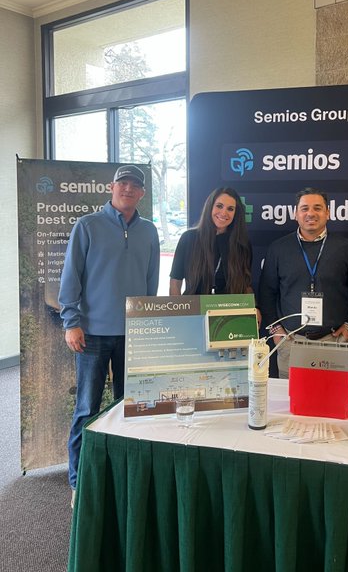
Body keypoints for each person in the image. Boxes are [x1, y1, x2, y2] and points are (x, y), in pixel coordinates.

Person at [59, 165, 160, 504]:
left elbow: (151, 282)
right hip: (92, 334)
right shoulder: (87, 225)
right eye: (122, 183)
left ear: (142, 193)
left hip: (133, 333)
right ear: (111, 187)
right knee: (87, 408)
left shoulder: (149, 230)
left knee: (129, 407)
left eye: (135, 185)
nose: (128, 189)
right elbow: (71, 277)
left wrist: (147, 323)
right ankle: (78, 482)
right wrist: (71, 322)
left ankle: (122, 477)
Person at [258, 187, 348, 378]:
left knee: (333, 395)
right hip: (291, 342)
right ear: (296, 214)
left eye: (317, 208)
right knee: (292, 397)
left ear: (328, 213)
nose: (310, 213)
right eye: (304, 208)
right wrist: (276, 331)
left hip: (334, 341)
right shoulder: (278, 249)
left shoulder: (346, 248)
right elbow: (266, 292)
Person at [169, 187, 253, 295]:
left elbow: (246, 285)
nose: (224, 213)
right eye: (219, 206)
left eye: (230, 209)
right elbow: (175, 282)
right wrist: (178, 306)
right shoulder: (188, 238)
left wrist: (253, 304)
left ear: (236, 213)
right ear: (210, 207)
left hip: (230, 305)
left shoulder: (242, 244)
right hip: (194, 305)